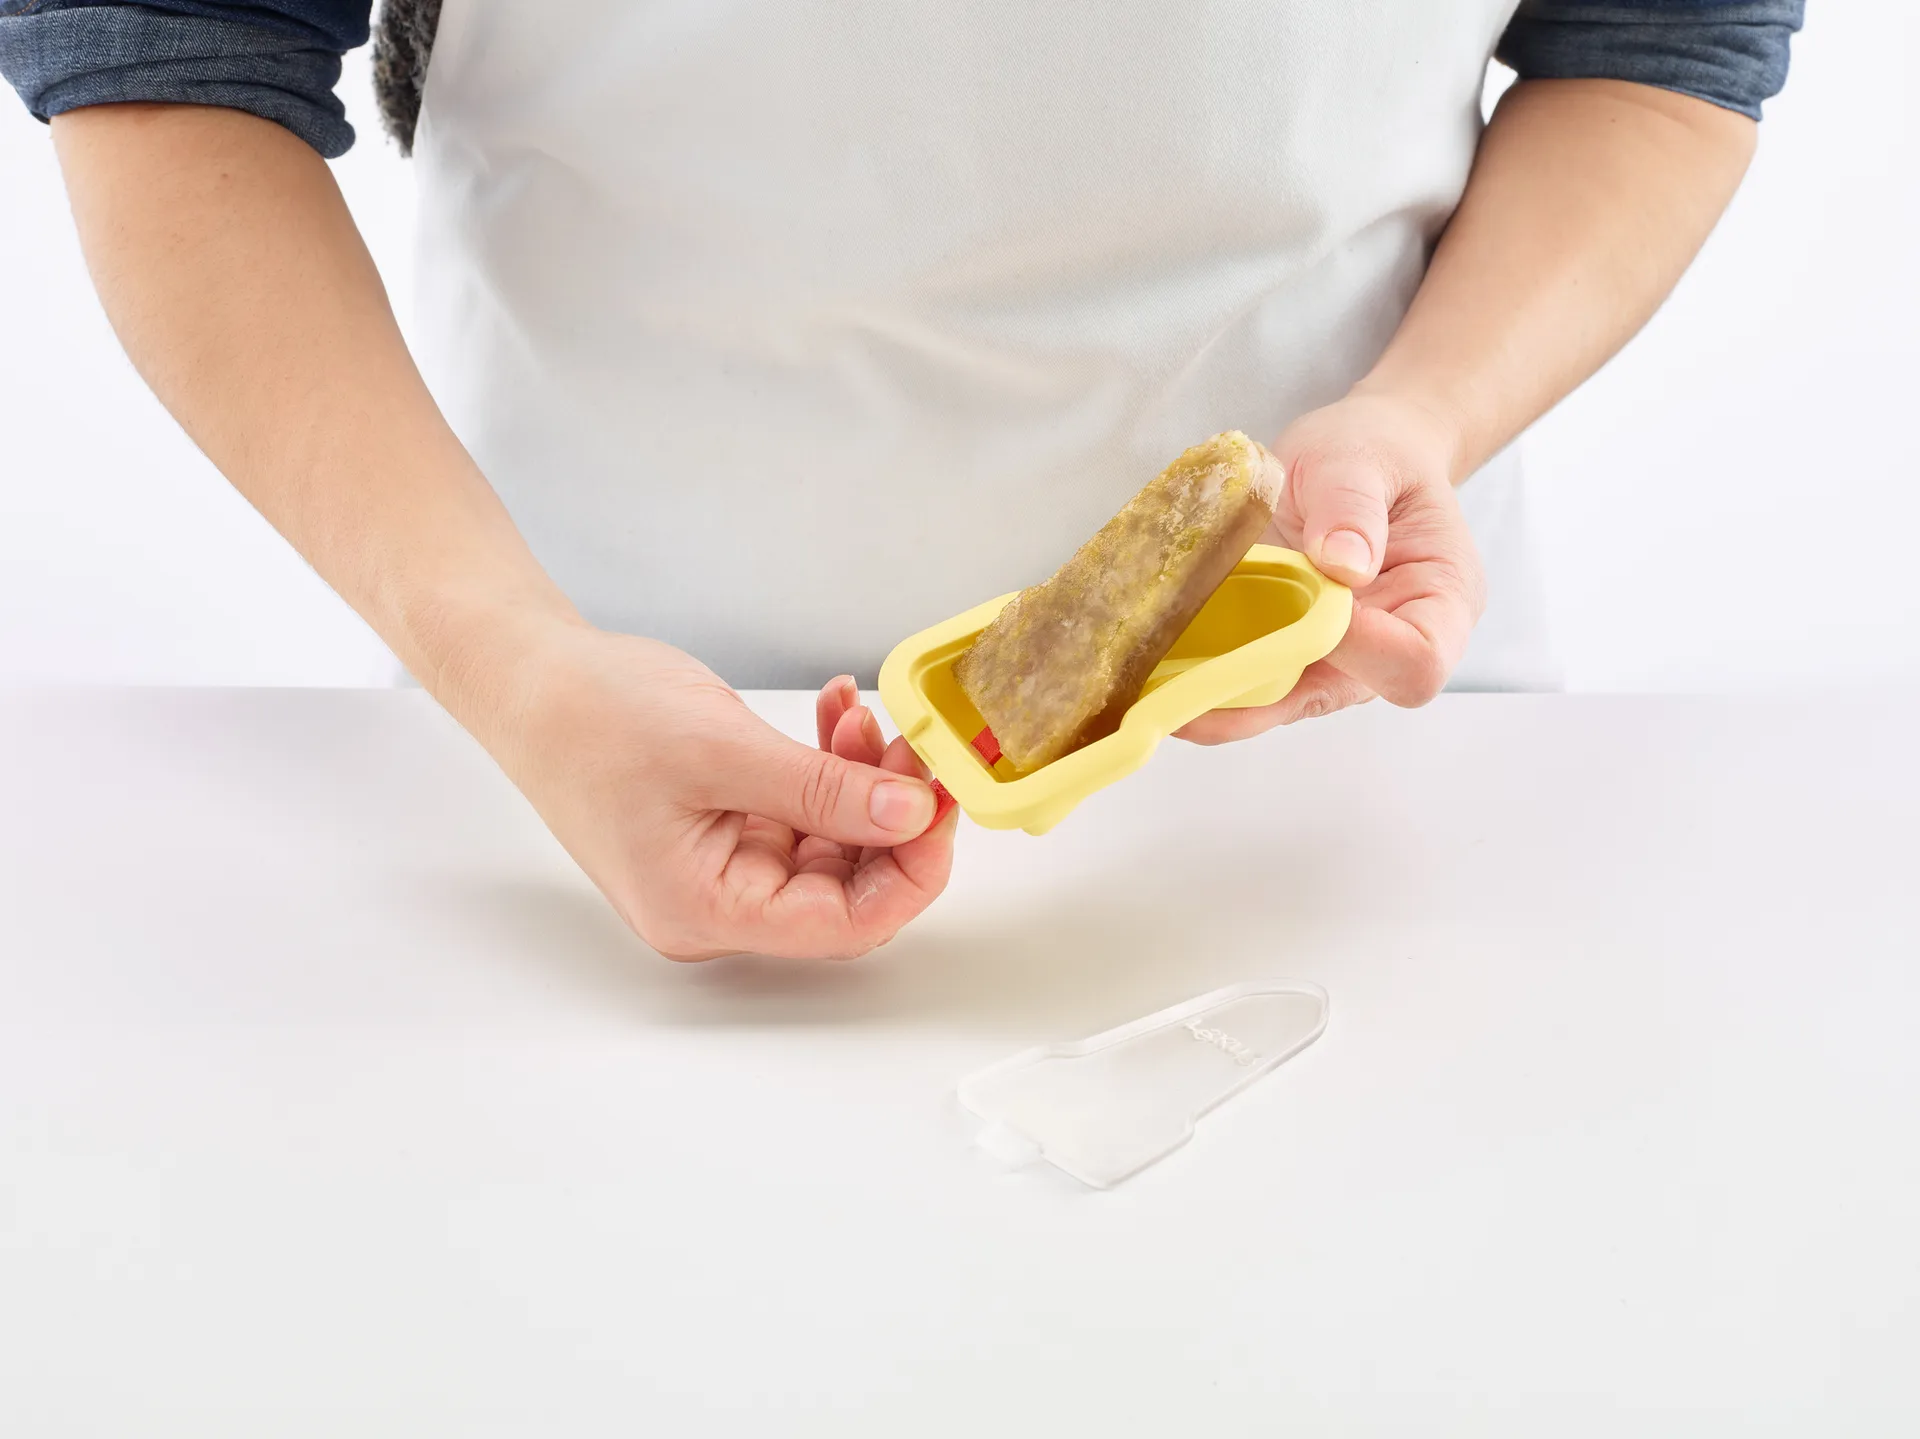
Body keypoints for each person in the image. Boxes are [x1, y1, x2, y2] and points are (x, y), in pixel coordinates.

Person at [0, 1, 1801, 960]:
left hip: (1354, 773)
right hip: (556, 778)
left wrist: (1428, 414)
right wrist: (516, 662)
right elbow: (170, 58)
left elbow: (1658, 44)